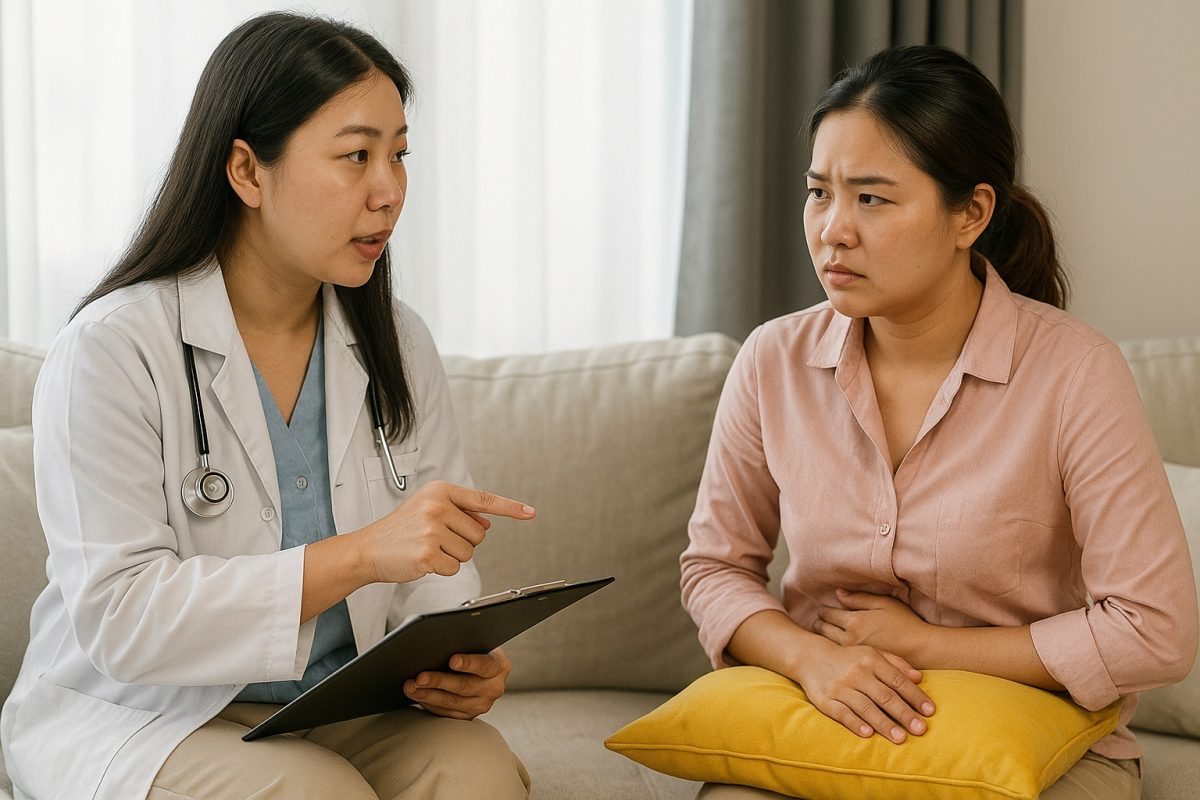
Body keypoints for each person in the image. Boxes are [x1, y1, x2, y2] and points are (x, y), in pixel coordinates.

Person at [0, 12, 534, 800]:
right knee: (313, 792)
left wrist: (459, 662)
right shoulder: (113, 349)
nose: (390, 191)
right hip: (148, 713)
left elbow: (431, 568)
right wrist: (360, 554)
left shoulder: (397, 341)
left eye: (399, 155)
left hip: (336, 703)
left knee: (478, 772)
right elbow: (123, 619)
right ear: (248, 172)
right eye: (356, 156)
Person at [680, 45, 1198, 800]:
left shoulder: (1075, 372)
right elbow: (714, 569)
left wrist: (932, 647)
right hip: (826, 725)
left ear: (972, 213)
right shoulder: (773, 361)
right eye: (819, 192)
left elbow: (1155, 630)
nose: (833, 230)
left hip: (1040, 742)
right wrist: (808, 658)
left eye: (873, 198)